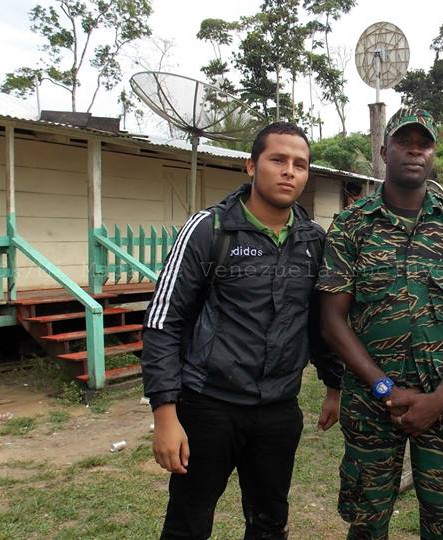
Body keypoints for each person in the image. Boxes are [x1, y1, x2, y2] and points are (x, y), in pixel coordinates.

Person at [141, 122, 344, 540]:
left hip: (278, 409)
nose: (290, 171)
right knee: (188, 522)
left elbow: (319, 320)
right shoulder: (209, 230)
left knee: (270, 522)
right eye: (278, 160)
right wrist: (164, 413)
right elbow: (163, 321)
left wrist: (333, 385)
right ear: (251, 166)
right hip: (208, 406)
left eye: (300, 164)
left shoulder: (312, 241)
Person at [318, 108, 443, 540]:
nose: (415, 150)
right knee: (366, 524)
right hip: (373, 405)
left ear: (433, 154)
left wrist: (442, 395)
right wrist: (384, 388)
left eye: (424, 144)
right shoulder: (351, 226)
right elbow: (332, 319)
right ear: (383, 151)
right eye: (404, 142)